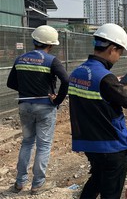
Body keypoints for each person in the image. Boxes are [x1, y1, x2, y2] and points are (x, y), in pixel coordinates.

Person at [68, 23, 127, 199]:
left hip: (89, 143)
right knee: (111, 192)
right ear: (112, 49)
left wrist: (116, 85)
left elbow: (98, 92)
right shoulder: (106, 78)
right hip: (111, 146)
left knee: (97, 180)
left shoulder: (79, 71)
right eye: (120, 52)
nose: (119, 57)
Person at [7, 25, 69, 195]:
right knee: (43, 145)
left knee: (27, 142)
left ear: (34, 41)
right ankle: (37, 184)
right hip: (45, 107)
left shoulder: (20, 59)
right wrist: (58, 99)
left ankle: (19, 183)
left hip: (24, 105)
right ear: (51, 45)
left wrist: (27, 90)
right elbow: (66, 81)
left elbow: (10, 83)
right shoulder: (51, 60)